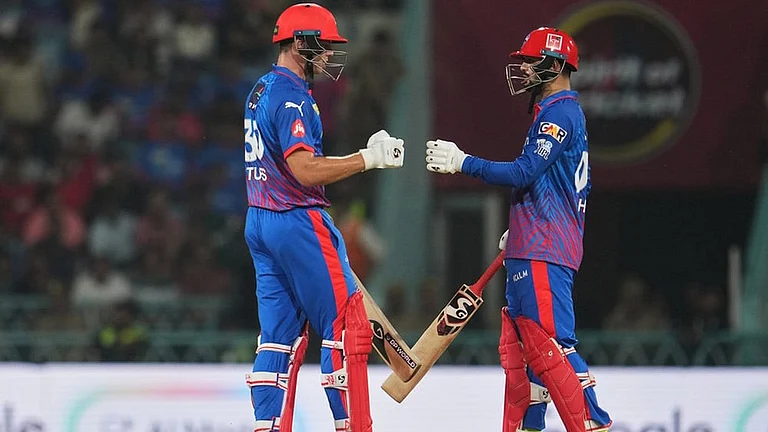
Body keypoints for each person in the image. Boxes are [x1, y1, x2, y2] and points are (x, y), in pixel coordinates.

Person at [424, 27, 612, 432]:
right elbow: (554, 183)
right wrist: (522, 225)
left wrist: (463, 162)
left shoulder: (561, 112)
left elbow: (524, 172)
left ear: (558, 65)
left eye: (533, 61)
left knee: (553, 347)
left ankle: (594, 422)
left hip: (545, 248)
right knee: (526, 353)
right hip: (537, 243)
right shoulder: (556, 112)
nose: (524, 68)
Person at [242, 4, 405, 432]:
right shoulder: (292, 96)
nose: (327, 56)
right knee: (346, 325)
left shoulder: (260, 88)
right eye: (321, 46)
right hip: (297, 219)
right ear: (298, 43)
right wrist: (366, 159)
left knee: (277, 338)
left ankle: (268, 426)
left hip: (260, 219)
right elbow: (303, 169)